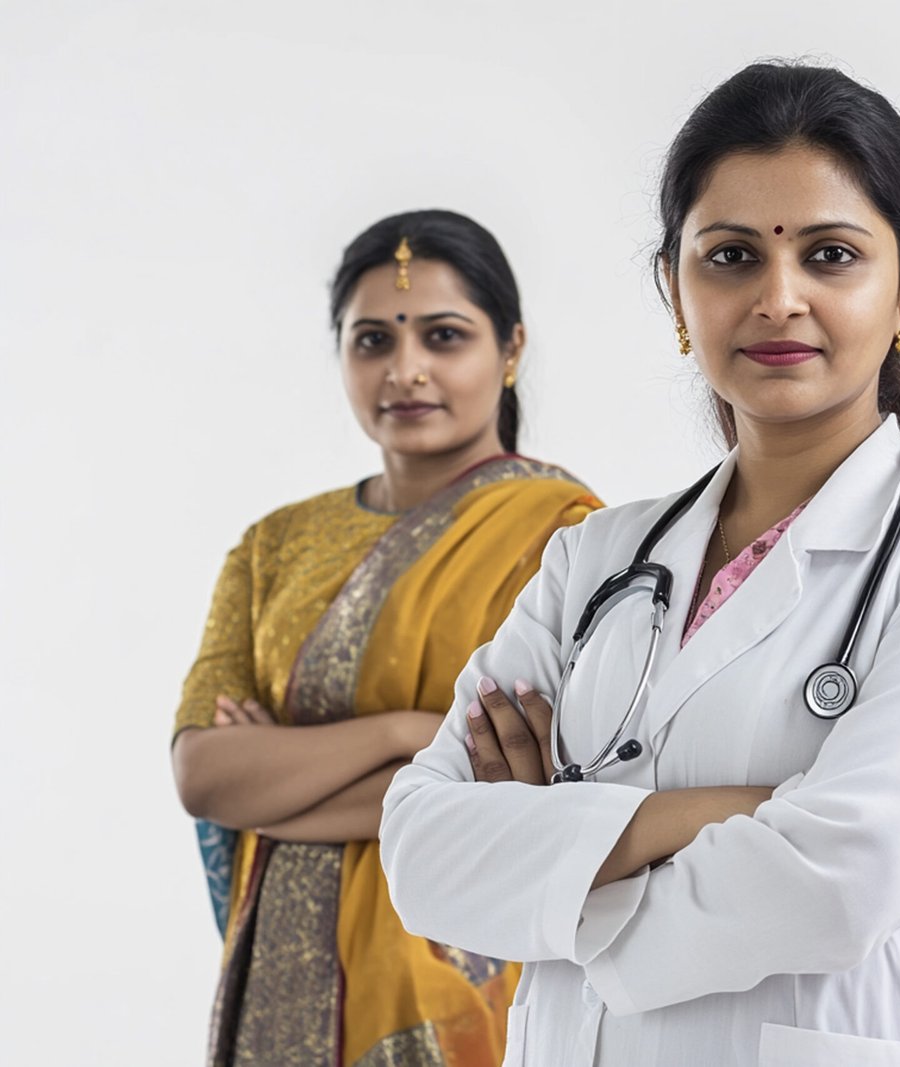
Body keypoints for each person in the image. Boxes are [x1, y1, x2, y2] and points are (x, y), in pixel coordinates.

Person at [379, 63, 900, 1066]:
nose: (778, 299)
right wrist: (729, 812)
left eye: (830, 255)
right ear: (675, 288)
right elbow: (422, 849)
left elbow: (847, 872)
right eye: (731, 256)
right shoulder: (593, 559)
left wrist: (558, 873)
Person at [171, 209, 600, 1066]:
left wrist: (282, 780)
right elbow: (204, 772)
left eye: (444, 336)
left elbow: (525, 784)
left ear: (509, 349)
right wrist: (413, 735)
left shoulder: (564, 534)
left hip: (458, 979)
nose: (406, 370)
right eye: (372, 341)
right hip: (276, 978)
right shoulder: (274, 545)